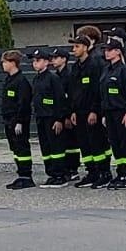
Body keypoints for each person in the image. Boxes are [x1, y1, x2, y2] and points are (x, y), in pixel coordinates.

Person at [68, 34, 110, 188]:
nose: (74, 50)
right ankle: (91, 172)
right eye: (73, 47)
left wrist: (94, 111)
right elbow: (73, 90)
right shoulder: (75, 66)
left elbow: (97, 90)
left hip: (91, 112)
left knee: (96, 143)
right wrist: (72, 111)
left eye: (77, 46)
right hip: (78, 112)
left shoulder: (94, 65)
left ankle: (103, 172)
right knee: (84, 144)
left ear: (85, 47)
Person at [99, 38, 126, 189]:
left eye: (110, 50)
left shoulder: (124, 70)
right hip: (109, 112)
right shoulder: (106, 70)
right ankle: (121, 172)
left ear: (118, 51)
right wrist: (103, 113)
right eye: (105, 50)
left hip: (122, 112)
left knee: (125, 143)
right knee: (115, 144)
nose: (106, 52)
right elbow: (103, 93)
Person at [30, 50, 70, 187]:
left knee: (56, 147)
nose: (35, 63)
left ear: (46, 62)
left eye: (38, 60)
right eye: (34, 61)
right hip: (41, 117)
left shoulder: (53, 78)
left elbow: (60, 99)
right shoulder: (36, 79)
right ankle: (51, 173)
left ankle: (60, 175)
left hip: (52, 118)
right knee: (45, 147)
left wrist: (59, 119)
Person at [0, 50, 34, 189]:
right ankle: (20, 174)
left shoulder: (21, 81)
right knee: (15, 148)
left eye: (5, 62)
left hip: (17, 120)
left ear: (13, 63)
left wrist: (19, 121)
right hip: (9, 120)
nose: (3, 65)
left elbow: (23, 103)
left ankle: (26, 176)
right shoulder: (9, 80)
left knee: (22, 147)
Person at [50, 48, 79, 179]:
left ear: (64, 59)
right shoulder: (55, 76)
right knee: (63, 142)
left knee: (71, 143)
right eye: (53, 58)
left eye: (56, 58)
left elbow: (71, 97)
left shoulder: (69, 75)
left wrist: (68, 115)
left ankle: (73, 169)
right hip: (59, 114)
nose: (53, 60)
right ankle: (66, 167)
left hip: (67, 115)